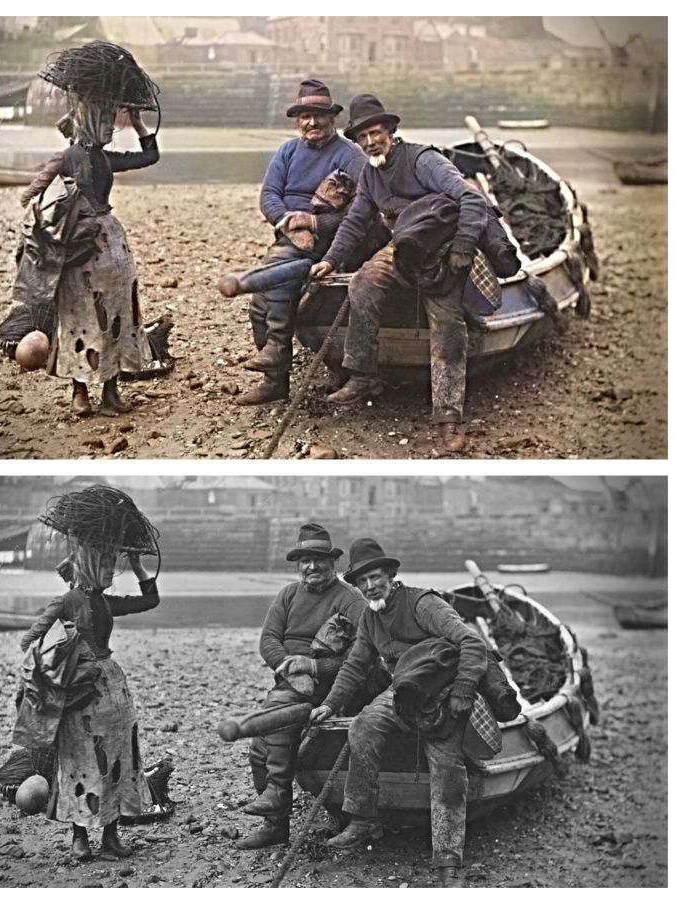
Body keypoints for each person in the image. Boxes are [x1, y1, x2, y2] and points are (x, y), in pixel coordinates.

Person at [310, 94, 491, 453]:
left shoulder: (424, 161)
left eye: (375, 133)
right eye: (361, 138)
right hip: (402, 250)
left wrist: (463, 248)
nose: (369, 142)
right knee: (363, 283)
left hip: (443, 248)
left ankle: (448, 414)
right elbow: (355, 220)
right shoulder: (370, 174)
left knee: (447, 323)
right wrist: (330, 260)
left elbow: (473, 200)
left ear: (391, 130)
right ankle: (363, 374)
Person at [310, 537, 488, 888]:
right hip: (401, 693)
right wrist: (329, 704)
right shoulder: (371, 620)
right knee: (363, 725)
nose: (369, 586)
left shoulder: (423, 603)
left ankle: (448, 858)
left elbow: (472, 642)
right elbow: (355, 666)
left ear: (391, 574)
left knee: (448, 767)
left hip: (443, 692)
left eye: (375, 577)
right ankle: (362, 818)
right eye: (362, 581)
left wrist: (464, 691)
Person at [18, 487, 162, 861]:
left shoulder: (105, 602)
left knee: (116, 760)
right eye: (105, 563)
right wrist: (54, 660)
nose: (110, 570)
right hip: (79, 690)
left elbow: (150, 600)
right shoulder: (68, 600)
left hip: (112, 689)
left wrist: (139, 566)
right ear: (85, 564)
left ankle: (111, 837)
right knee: (80, 761)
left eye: (112, 565)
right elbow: (31, 639)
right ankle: (79, 837)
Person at [21, 93, 160, 418]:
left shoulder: (104, 157)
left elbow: (149, 156)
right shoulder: (68, 156)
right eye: (103, 121)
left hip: (111, 245)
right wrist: (64, 204)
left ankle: (110, 391)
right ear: (88, 124)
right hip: (81, 248)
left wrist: (138, 121)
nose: (109, 127)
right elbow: (32, 193)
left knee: (118, 314)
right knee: (79, 317)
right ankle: (79, 392)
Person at [236, 79, 366, 406]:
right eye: (304, 116)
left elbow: (361, 212)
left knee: (276, 274)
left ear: (332, 118)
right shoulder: (287, 151)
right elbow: (269, 196)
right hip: (289, 237)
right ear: (297, 120)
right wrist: (288, 223)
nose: (312, 122)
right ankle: (275, 381)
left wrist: (316, 222)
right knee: (258, 307)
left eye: (319, 115)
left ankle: (278, 350)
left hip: (331, 243)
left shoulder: (350, 155)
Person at [236, 523, 366, 849]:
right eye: (304, 560)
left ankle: (280, 795)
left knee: (274, 720)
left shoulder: (350, 598)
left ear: (332, 562)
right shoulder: (288, 595)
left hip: (331, 688)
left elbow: (363, 656)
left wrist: (316, 666)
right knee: (258, 751)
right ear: (297, 564)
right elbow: (268, 640)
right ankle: (274, 825)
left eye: (318, 559)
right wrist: (289, 667)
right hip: (290, 683)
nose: (311, 567)